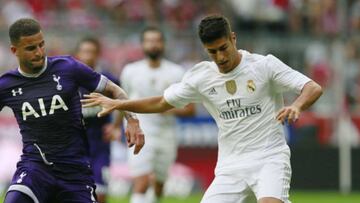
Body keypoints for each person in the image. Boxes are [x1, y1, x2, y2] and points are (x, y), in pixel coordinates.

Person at [83, 14, 324, 203]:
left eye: (223, 48)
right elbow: (161, 102)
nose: (220, 57)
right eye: (212, 52)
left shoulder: (264, 65)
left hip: (269, 157)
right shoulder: (201, 76)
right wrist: (119, 103)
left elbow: (312, 87)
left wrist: (296, 105)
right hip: (230, 166)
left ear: (233, 38)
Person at [0, 18, 144, 203]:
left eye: (41, 45)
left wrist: (132, 120)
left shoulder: (67, 68)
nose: (39, 52)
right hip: (35, 167)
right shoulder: (7, 85)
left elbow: (115, 90)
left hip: (74, 171)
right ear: (14, 50)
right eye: (31, 48)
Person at [121, 27, 195, 203]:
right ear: (142, 44)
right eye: (149, 40)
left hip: (166, 134)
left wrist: (164, 108)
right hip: (140, 130)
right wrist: (116, 126)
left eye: (157, 41)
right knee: (142, 182)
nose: (153, 44)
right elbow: (122, 102)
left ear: (163, 44)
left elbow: (190, 109)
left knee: (159, 186)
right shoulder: (130, 71)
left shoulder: (176, 72)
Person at [75, 37, 120, 203]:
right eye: (85, 52)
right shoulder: (70, 80)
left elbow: (122, 99)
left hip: (100, 143)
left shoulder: (107, 79)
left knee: (101, 191)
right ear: (78, 55)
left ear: (98, 54)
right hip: (76, 143)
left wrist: (115, 125)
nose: (88, 56)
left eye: (92, 52)